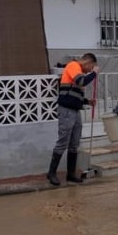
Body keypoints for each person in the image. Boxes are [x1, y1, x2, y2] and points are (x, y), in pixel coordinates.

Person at [47, 53, 99, 186]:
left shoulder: (79, 71)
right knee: (63, 141)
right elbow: (81, 81)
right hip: (66, 110)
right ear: (87, 62)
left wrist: (87, 101)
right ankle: (51, 173)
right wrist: (94, 74)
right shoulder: (73, 65)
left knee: (74, 143)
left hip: (75, 110)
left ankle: (71, 174)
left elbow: (74, 93)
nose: (89, 70)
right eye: (91, 67)